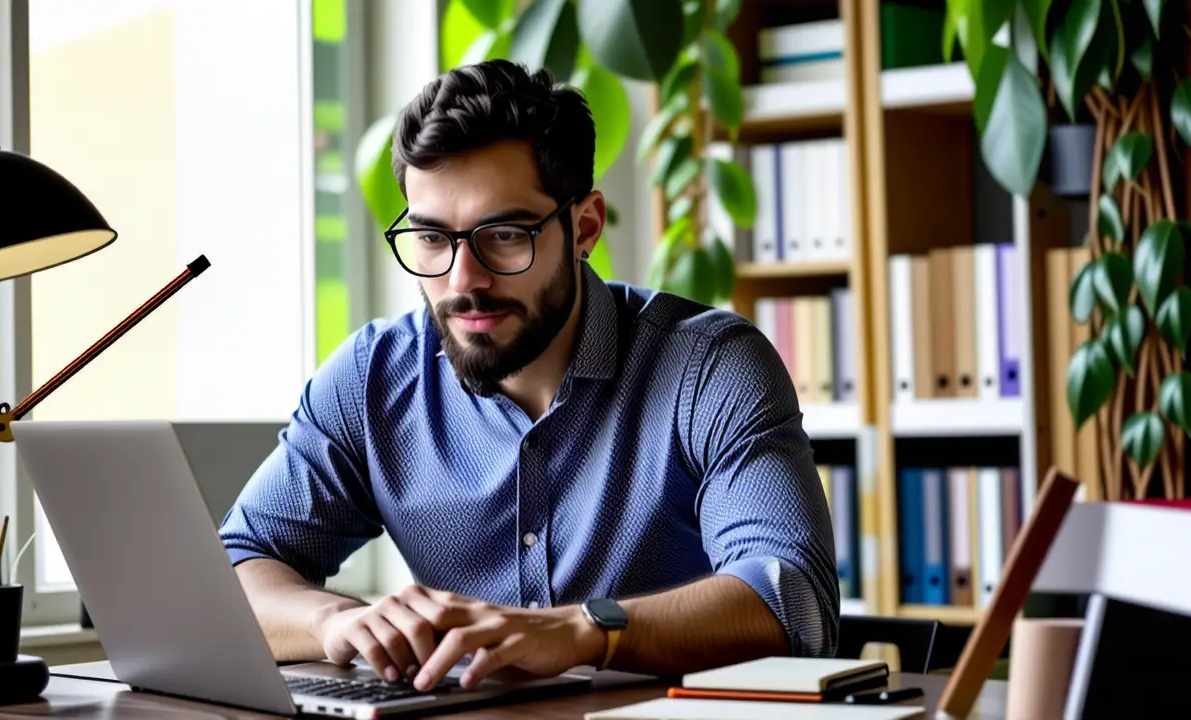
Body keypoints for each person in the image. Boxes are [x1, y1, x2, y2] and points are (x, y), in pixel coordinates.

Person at [219, 58, 838, 695]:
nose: (463, 280)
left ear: (585, 227)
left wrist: (583, 631)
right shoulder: (372, 376)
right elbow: (235, 568)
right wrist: (338, 622)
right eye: (432, 238)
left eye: (507, 234)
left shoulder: (710, 367)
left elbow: (791, 600)